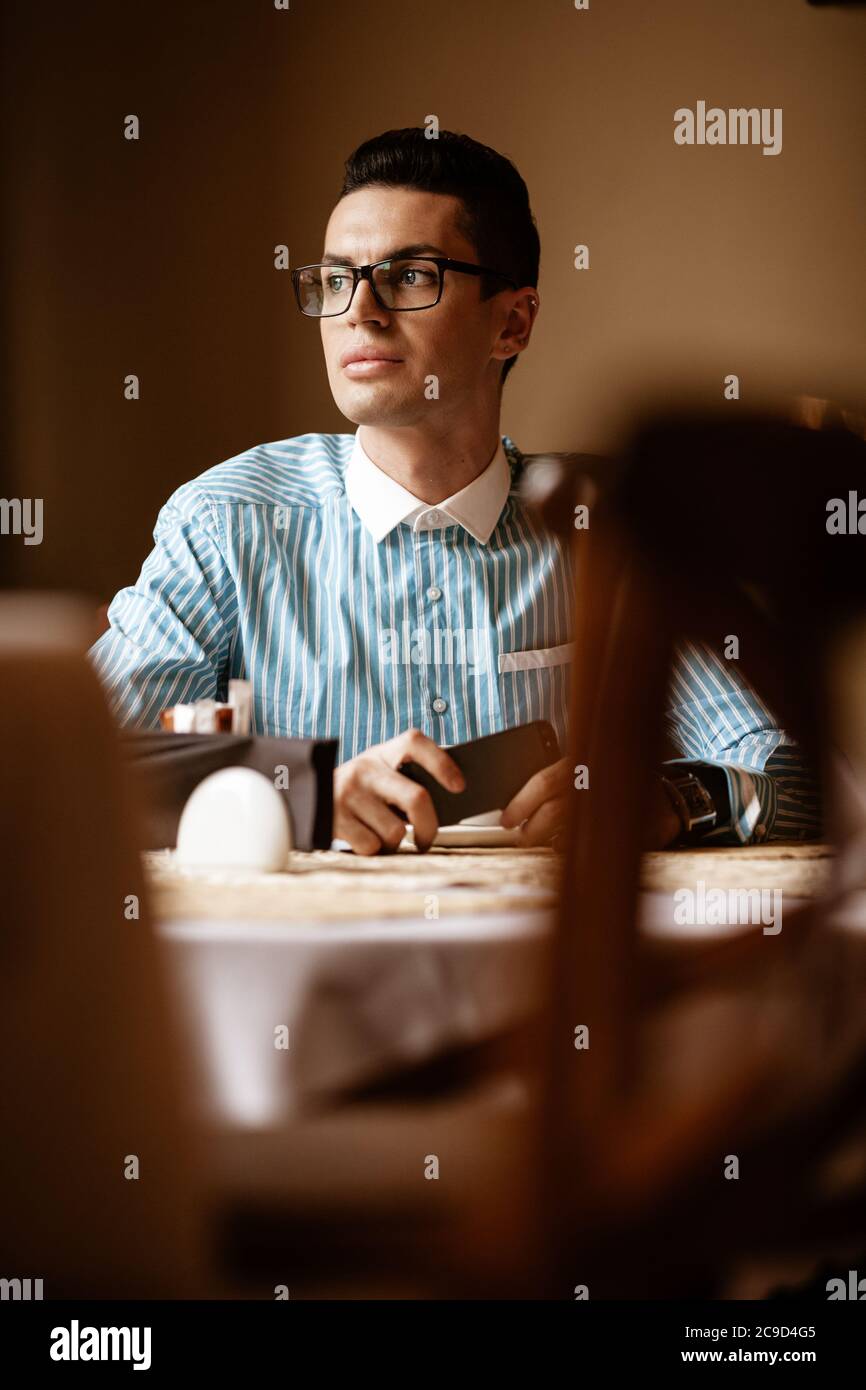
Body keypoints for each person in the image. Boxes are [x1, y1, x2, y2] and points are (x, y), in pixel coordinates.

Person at [89, 127, 819, 854]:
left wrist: (673, 798)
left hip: (548, 967)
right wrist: (297, 788)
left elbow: (804, 776)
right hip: (306, 968)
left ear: (513, 322)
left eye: (409, 276)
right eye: (337, 278)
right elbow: (76, 771)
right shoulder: (225, 522)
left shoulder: (611, 528)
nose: (358, 310)